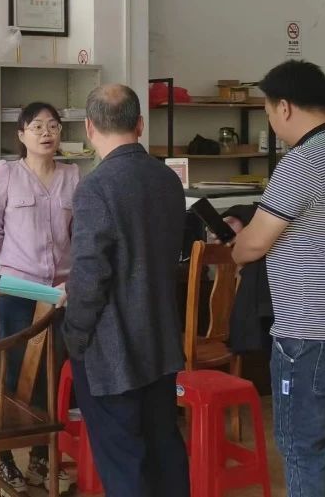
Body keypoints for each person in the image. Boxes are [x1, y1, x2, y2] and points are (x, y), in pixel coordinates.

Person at [231, 60, 325, 497]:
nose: (272, 123)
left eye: (269, 112)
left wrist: (238, 244)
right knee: (316, 440)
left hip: (310, 333)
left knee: (299, 447)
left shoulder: (302, 162)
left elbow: (253, 245)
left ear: (285, 107)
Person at [62, 84, 190, 496]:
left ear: (89, 127)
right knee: (165, 452)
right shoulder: (167, 179)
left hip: (112, 350)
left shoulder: (96, 187)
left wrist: (75, 335)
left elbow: (90, 275)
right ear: (140, 124)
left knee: (124, 464)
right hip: (160, 341)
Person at [0, 101, 78, 491]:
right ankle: (3, 458)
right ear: (21, 135)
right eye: (37, 126)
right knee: (13, 375)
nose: (46, 133)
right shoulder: (6, 173)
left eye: (53, 126)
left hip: (59, 294)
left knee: (51, 375)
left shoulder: (72, 176)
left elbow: (81, 236)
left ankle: (40, 460)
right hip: (17, 291)